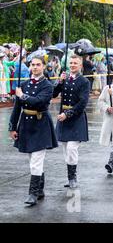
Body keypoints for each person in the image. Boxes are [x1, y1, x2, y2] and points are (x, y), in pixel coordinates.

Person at [8, 56, 58, 206]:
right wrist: (12, 127)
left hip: (41, 124)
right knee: (33, 160)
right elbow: (17, 108)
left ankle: (33, 193)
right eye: (32, 65)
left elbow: (39, 102)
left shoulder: (47, 86)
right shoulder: (23, 84)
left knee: (36, 161)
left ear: (43, 66)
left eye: (38, 65)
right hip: (26, 125)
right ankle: (40, 189)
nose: (35, 67)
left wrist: (22, 95)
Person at [53, 54, 90, 188]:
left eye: (75, 63)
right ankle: (69, 178)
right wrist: (59, 82)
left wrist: (67, 114)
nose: (73, 65)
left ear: (80, 65)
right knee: (65, 149)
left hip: (76, 117)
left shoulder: (84, 82)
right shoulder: (65, 79)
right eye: (71, 63)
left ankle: (73, 177)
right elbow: (53, 94)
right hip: (63, 118)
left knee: (71, 148)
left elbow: (82, 103)